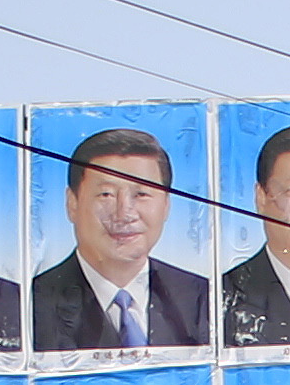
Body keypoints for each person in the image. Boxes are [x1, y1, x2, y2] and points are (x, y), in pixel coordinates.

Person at [38, 120, 214, 353]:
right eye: (106, 194)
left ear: (166, 205)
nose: (124, 213)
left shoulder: (203, 297)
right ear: (72, 203)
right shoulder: (31, 305)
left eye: (141, 194)